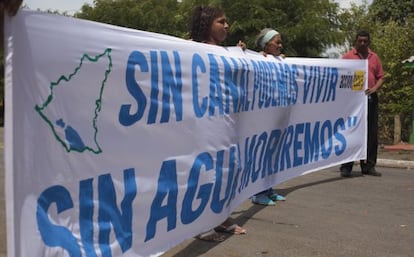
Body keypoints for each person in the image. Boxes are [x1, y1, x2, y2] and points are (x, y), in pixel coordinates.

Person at [190, 5, 247, 242]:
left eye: (226, 22)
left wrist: (245, 55)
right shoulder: (192, 48)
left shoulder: (226, 51)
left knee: (226, 170)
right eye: (221, 22)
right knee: (207, 172)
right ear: (207, 25)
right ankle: (202, 226)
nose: (226, 26)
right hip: (203, 122)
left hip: (225, 122)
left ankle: (221, 218)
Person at [340, 30, 384, 178]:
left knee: (371, 132)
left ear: (369, 42)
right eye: (360, 41)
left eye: (365, 41)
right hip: (352, 101)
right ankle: (347, 166)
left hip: (370, 98)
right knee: (351, 130)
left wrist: (374, 89)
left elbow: (380, 77)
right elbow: (339, 76)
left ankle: (369, 166)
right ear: (356, 41)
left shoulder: (374, 58)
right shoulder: (347, 57)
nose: (363, 43)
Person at [250, 28, 287, 206]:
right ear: (266, 44)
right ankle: (256, 192)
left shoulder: (279, 61)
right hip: (262, 115)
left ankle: (268, 188)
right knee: (262, 153)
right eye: (277, 42)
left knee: (273, 154)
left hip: (276, 115)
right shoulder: (257, 59)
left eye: (280, 42)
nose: (280, 45)